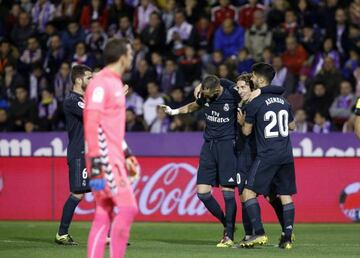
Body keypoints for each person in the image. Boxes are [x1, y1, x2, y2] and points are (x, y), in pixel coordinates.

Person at [160, 75, 283, 248]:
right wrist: (173, 111)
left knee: (227, 192)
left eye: (208, 93)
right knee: (202, 193)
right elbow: (194, 106)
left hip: (228, 147)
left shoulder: (233, 94)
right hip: (209, 147)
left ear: (217, 90)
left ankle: (229, 235)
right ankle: (226, 223)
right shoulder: (206, 94)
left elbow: (245, 90)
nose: (205, 97)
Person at [84, 38, 138, 258]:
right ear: (122, 56)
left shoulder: (115, 83)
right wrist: (96, 163)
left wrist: (126, 153)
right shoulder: (101, 82)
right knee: (128, 208)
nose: (133, 57)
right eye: (131, 53)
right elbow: (91, 122)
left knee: (103, 211)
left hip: (112, 158)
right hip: (103, 161)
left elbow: (111, 127)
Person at [239, 63, 296, 249]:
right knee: (285, 195)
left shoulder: (255, 103)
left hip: (267, 154)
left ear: (261, 79)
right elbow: (292, 127)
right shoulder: (284, 101)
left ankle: (259, 234)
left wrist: (242, 121)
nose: (252, 79)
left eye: (253, 76)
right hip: (286, 153)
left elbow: (247, 132)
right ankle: (287, 238)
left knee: (247, 193)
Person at [55, 64, 93, 245]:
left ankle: (108, 235)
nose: (92, 81)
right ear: (79, 80)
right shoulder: (72, 100)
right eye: (89, 78)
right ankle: (62, 233)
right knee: (78, 194)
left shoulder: (86, 100)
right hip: (79, 153)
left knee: (104, 191)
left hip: (91, 155)